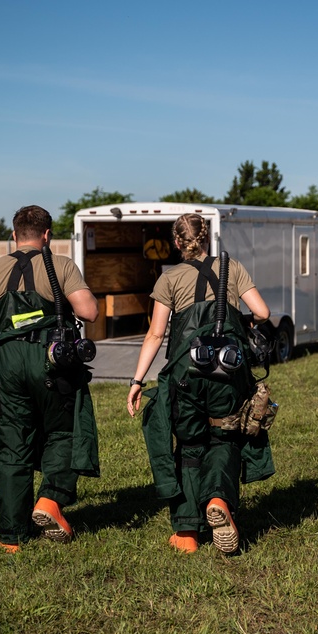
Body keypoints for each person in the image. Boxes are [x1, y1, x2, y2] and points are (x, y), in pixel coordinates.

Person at [0, 205, 101, 553]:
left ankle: (12, 538)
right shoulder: (61, 266)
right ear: (47, 235)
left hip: (6, 363)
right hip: (50, 361)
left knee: (11, 444)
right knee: (64, 431)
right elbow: (89, 312)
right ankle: (50, 501)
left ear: (14, 233)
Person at [127, 213, 274, 555]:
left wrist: (137, 380)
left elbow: (156, 333)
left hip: (186, 374)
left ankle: (187, 534)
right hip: (230, 372)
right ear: (207, 238)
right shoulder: (232, 268)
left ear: (176, 242)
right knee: (225, 437)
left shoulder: (170, 278)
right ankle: (220, 499)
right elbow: (263, 312)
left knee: (191, 446)